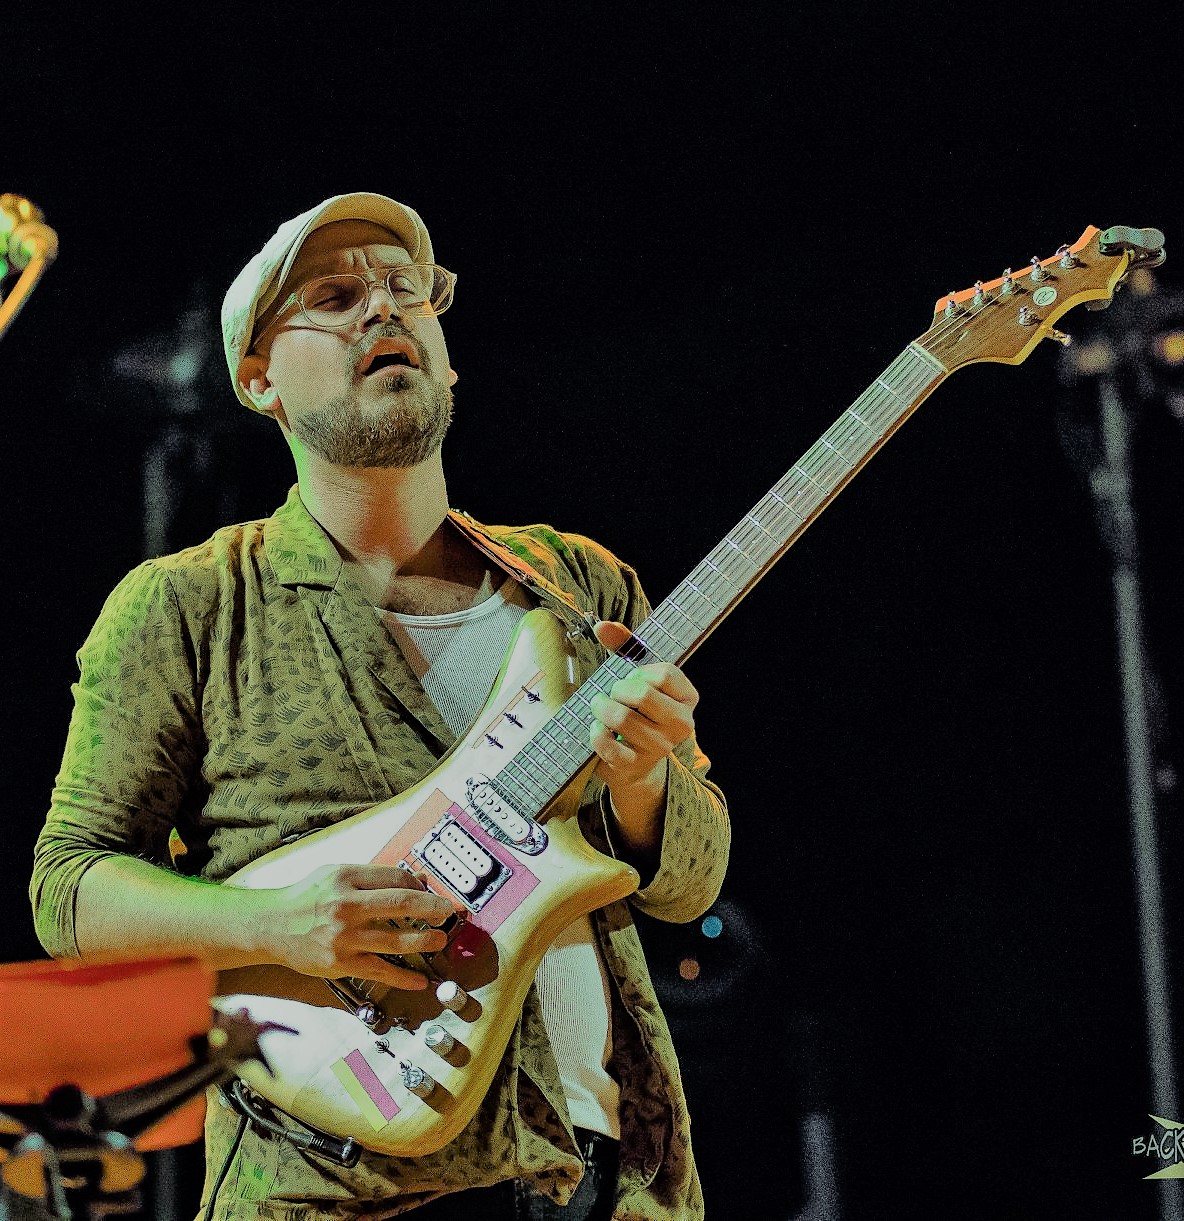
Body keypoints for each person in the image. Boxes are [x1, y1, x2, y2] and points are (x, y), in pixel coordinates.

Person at [29, 192, 730, 1221]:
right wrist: (278, 924)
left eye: (408, 291)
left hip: (604, 1174)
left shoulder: (577, 584)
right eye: (335, 295)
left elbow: (687, 883)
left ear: (449, 360)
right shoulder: (188, 605)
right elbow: (68, 890)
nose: (382, 312)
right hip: (333, 1190)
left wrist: (641, 782)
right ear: (258, 380)